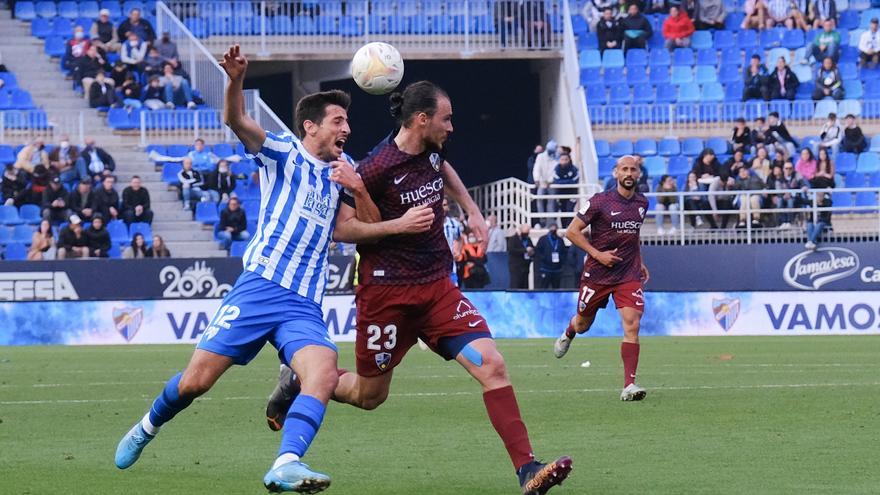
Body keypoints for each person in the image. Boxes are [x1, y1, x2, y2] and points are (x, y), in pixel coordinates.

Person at [114, 44, 417, 493]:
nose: (347, 129)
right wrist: (235, 80)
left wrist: (365, 194)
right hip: (260, 287)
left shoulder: (345, 170)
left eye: (348, 122)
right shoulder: (281, 152)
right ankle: (146, 427)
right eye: (338, 121)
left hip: (305, 302)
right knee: (196, 382)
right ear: (310, 126)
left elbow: (352, 229)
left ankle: (287, 462)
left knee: (324, 371)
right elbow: (237, 121)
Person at [264, 80, 573, 494]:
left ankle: (526, 469)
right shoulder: (373, 169)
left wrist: (472, 209)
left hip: (436, 288)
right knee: (370, 396)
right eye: (446, 118)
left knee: (492, 365)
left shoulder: (431, 151)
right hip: (386, 295)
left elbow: (442, 169)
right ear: (422, 119)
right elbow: (347, 230)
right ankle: (301, 380)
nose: (452, 127)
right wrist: (357, 189)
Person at [553, 155, 650, 402]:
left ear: (638, 174)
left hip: (627, 273)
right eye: (624, 169)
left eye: (633, 170)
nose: (629, 173)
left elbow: (633, 237)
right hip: (597, 273)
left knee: (632, 323)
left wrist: (641, 262)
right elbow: (572, 232)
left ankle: (629, 385)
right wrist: (598, 255)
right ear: (616, 173)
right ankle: (569, 332)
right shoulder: (599, 202)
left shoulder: (642, 203)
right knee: (584, 325)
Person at [774, 162, 808, 228]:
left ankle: (789, 222)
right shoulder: (779, 179)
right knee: (779, 202)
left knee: (790, 201)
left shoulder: (796, 176)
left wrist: (804, 186)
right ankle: (783, 222)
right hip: (783, 197)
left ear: (792, 169)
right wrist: (784, 194)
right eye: (786, 168)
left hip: (795, 197)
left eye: (790, 168)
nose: (788, 170)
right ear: (783, 169)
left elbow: (802, 182)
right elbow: (778, 190)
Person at [532, 140, 558, 225]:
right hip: (541, 182)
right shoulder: (540, 156)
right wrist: (537, 179)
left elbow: (556, 171)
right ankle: (542, 218)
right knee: (539, 198)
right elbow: (537, 169)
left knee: (552, 201)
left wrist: (550, 181)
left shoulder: (556, 157)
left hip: (551, 183)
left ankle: (550, 219)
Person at [535, 223, 567, 289]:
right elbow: (538, 252)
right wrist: (544, 259)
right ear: (549, 229)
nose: (553, 230)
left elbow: (564, 252)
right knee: (543, 288)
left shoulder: (560, 240)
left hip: (557, 270)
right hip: (545, 269)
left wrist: (561, 261)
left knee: (556, 288)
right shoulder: (542, 239)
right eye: (552, 229)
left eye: (555, 229)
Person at [553, 153, 579, 226]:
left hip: (572, 193)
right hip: (560, 193)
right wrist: (568, 181)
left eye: (566, 159)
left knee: (569, 209)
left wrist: (563, 182)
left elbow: (575, 180)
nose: (564, 161)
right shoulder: (556, 169)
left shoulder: (574, 169)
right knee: (562, 210)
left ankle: (570, 227)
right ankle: (564, 227)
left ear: (569, 159)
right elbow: (556, 181)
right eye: (562, 159)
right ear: (559, 160)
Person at [508, 224, 535, 289]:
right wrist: (525, 250)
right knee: (516, 285)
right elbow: (512, 250)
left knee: (525, 286)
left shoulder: (528, 239)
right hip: (516, 267)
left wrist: (531, 252)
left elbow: (532, 248)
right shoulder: (513, 239)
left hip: (525, 267)